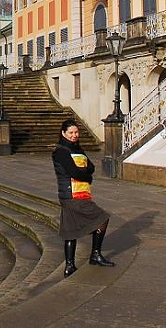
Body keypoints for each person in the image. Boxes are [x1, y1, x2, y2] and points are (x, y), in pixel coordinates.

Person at [52, 118, 115, 277]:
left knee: (70, 230)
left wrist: (85, 173)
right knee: (102, 218)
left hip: (80, 194)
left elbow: (91, 167)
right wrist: (86, 176)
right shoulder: (60, 151)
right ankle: (95, 254)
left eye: (76, 132)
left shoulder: (78, 149)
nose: (74, 135)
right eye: (71, 133)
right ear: (63, 133)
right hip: (71, 195)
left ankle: (70, 266)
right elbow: (74, 172)